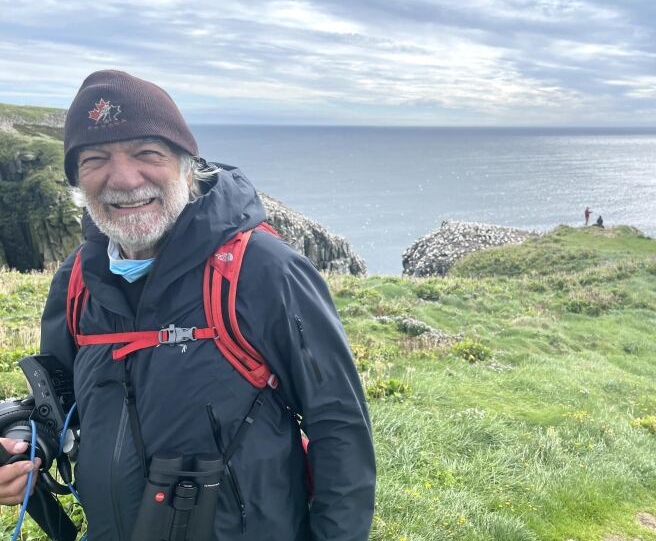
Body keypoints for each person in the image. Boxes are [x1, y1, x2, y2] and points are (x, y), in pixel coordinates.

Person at [1, 70, 376, 540]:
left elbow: (340, 429)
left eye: (147, 153)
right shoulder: (76, 280)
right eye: (96, 159)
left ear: (186, 164)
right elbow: (61, 410)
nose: (123, 178)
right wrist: (25, 447)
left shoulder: (263, 271)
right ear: (77, 178)